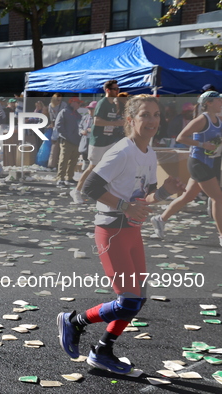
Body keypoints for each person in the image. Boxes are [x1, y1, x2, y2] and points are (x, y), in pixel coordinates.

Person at [57, 94, 185, 374]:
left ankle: (103, 350)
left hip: (132, 232)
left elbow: (146, 197)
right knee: (128, 300)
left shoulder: (148, 152)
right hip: (111, 231)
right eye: (145, 115)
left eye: (156, 115)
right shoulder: (121, 151)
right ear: (130, 120)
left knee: (138, 299)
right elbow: (89, 186)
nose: (152, 120)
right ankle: (74, 322)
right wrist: (125, 206)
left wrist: (165, 191)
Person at [151, 91, 222, 247]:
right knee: (218, 198)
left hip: (211, 162)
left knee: (188, 196)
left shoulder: (218, 119)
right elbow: (181, 137)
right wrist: (203, 145)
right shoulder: (201, 120)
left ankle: (160, 219)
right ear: (209, 103)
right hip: (198, 163)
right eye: (218, 100)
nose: (221, 102)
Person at [70, 80, 125, 204]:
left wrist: (118, 122)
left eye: (118, 89)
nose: (118, 91)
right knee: (93, 167)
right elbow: (97, 121)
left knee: (111, 164)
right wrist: (115, 123)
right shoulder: (102, 103)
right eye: (115, 89)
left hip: (109, 139)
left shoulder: (112, 104)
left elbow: (110, 120)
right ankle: (77, 191)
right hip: (98, 141)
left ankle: (106, 192)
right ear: (108, 90)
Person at [55, 97, 83, 186]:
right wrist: (66, 136)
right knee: (64, 160)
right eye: (78, 103)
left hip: (76, 140)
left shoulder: (78, 115)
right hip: (66, 140)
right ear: (72, 102)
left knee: (73, 161)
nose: (79, 105)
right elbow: (58, 125)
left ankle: (69, 177)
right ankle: (60, 178)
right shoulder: (64, 112)